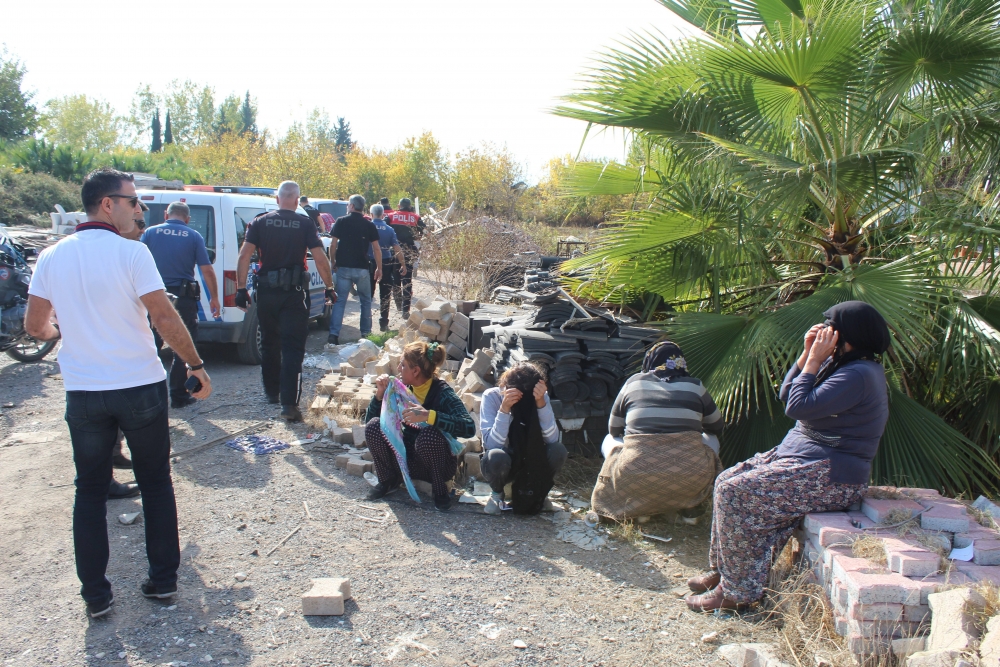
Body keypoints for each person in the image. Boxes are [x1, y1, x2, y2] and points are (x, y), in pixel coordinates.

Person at [24, 168, 213, 619]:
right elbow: (165, 319)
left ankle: (96, 596)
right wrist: (196, 365)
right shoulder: (132, 254)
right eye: (133, 201)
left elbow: (34, 327)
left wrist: (60, 329)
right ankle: (163, 581)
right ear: (107, 204)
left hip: (85, 392)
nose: (138, 209)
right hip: (138, 386)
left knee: (88, 491)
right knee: (155, 482)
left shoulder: (51, 257)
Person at [686, 301, 891, 612]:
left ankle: (738, 592)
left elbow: (797, 407)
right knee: (726, 479)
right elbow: (787, 393)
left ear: (847, 336)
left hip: (834, 473)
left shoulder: (860, 373)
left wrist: (814, 360)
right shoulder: (841, 363)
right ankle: (726, 572)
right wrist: (808, 355)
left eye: (829, 328)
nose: (823, 332)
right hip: (806, 459)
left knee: (735, 492)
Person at [591, 341, 725, 523]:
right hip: (690, 475)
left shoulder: (633, 383)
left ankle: (639, 506)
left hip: (635, 472)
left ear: (650, 361)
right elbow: (717, 426)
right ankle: (690, 505)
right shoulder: (695, 386)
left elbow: (614, 428)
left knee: (610, 439)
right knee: (712, 439)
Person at [235, 181, 335, 422]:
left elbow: (244, 255)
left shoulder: (260, 222)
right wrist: (329, 287)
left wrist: (240, 289)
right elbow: (320, 258)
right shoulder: (304, 223)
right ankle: (289, 404)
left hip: (267, 293)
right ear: (297, 200)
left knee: (270, 343)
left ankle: (271, 392)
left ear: (278, 199)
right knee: (292, 348)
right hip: (293, 294)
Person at [364, 341, 476, 511]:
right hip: (406, 461)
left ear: (415, 371)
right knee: (373, 426)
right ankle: (388, 480)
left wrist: (428, 416)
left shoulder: (442, 393)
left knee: (428, 436)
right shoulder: (401, 390)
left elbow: (469, 427)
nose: (399, 368)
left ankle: (439, 491)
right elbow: (371, 424)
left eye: (403, 365)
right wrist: (379, 395)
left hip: (435, 465)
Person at [141, 201, 221, 408]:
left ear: (166, 216)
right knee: (182, 347)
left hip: (151, 296)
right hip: (181, 298)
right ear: (187, 219)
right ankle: (178, 396)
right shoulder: (194, 236)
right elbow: (207, 270)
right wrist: (214, 298)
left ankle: (149, 398)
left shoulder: (150, 233)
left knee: (149, 346)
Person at [479, 361, 567, 515]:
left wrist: (540, 404)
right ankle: (497, 494)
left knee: (558, 451)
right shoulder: (492, 396)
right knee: (495, 457)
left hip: (532, 459)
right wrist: (504, 409)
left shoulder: (540, 396)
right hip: (506, 460)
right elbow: (492, 444)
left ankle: (540, 492)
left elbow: (552, 439)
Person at [327, 194, 381, 345]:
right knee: (365, 301)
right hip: (362, 269)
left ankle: (333, 335)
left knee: (340, 301)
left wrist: (333, 261)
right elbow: (376, 248)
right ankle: (366, 334)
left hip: (343, 268)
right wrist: (379, 268)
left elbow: (333, 244)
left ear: (351, 206)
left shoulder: (341, 221)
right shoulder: (369, 225)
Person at [367, 203, 408, 332]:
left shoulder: (367, 227)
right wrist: (403, 264)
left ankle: (366, 325)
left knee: (368, 294)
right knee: (385, 295)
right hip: (385, 263)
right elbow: (397, 248)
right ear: (383, 215)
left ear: (371, 214)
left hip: (369, 263)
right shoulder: (389, 229)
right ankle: (383, 323)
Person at [386, 198, 425, 318]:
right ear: (410, 206)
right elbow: (424, 230)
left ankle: (398, 304)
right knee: (407, 281)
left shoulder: (391, 216)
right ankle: (405, 310)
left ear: (399, 205)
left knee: (395, 279)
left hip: (394, 251)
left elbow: (385, 230)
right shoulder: (415, 217)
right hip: (409, 251)